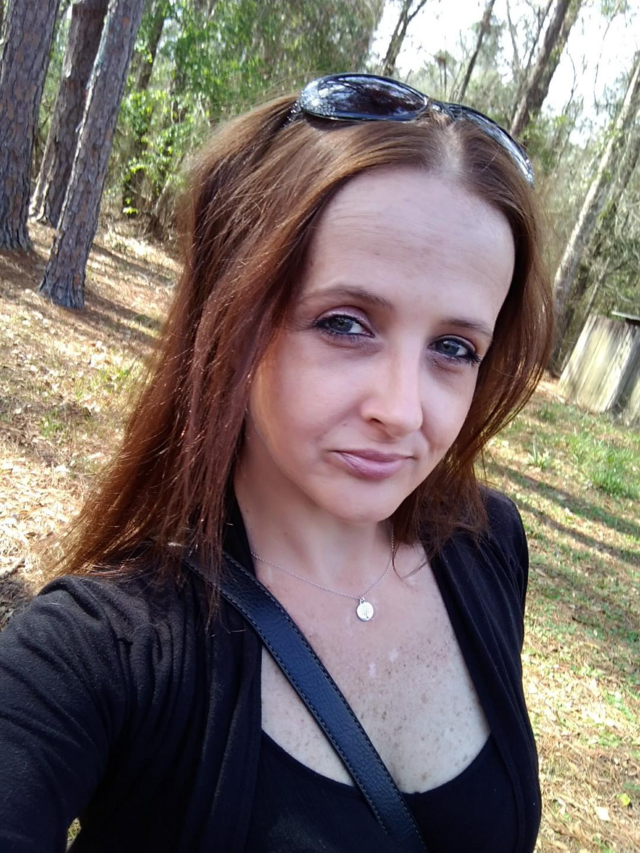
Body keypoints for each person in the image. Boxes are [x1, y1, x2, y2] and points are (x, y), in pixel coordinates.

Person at [0, 74, 553, 852]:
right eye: (345, 323)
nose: (403, 409)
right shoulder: (102, 652)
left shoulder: (487, 543)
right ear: (235, 314)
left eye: (454, 347)